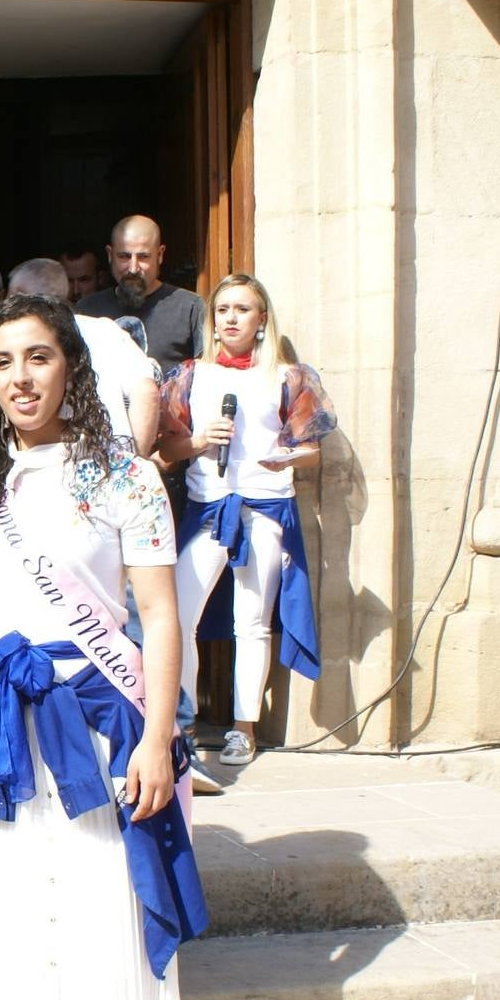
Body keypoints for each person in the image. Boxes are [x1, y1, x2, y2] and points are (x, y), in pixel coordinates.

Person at [0, 293, 207, 1000]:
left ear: (70, 366)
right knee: (24, 893)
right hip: (6, 722)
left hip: (101, 711)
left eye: (36, 358)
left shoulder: (124, 474)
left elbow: (159, 616)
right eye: (0, 363)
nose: (19, 379)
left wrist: (154, 736)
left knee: (102, 889)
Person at [157, 273, 337, 766]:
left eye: (242, 309)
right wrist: (198, 441)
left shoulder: (287, 377)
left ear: (261, 320)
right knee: (178, 618)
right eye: (223, 309)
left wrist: (286, 458)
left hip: (263, 509)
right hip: (209, 508)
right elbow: (165, 448)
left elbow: (311, 450)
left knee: (252, 624)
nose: (231, 318)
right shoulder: (190, 375)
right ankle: (183, 723)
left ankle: (243, 729)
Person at [5, 258, 159, 457]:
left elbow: (147, 392)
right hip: (100, 468)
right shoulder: (104, 330)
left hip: (85, 468)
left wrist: (132, 468)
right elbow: (146, 391)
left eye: (9, 298)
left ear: (20, 296)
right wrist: (134, 466)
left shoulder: (102, 331)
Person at [76, 215, 205, 370]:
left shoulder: (190, 307)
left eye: (143, 257)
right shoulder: (87, 310)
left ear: (160, 255)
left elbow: (206, 375)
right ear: (110, 255)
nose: (133, 268)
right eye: (124, 256)